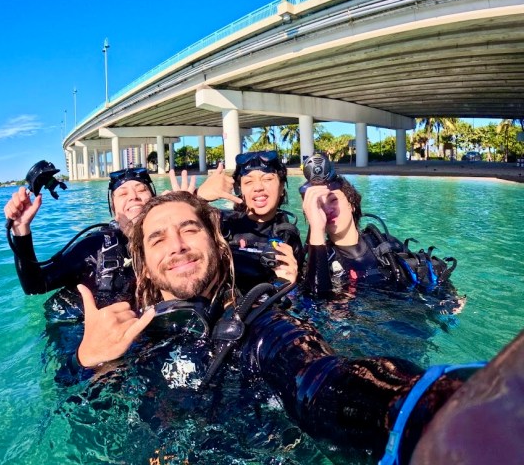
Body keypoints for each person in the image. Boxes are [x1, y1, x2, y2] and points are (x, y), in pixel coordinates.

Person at [74, 191, 494, 464]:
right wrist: (92, 366)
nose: (178, 245)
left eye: (189, 229)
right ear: (143, 265)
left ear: (217, 244)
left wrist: (433, 407)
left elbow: (321, 380)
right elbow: (89, 435)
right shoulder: (122, 337)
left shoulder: (260, 324)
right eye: (158, 239)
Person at [300, 154, 459, 301]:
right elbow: (315, 304)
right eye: (319, 206)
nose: (327, 210)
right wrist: (316, 231)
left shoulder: (383, 244)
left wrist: (448, 295)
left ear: (351, 204)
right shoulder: (317, 261)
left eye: (333, 200)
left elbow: (422, 274)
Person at [3, 166, 156, 308]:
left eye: (142, 190)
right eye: (123, 193)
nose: (134, 197)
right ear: (114, 210)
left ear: (155, 201)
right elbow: (35, 286)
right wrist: (21, 228)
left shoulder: (172, 242)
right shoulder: (93, 247)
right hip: (78, 325)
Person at [169, 152, 302, 291]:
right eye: (248, 182)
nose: (258, 188)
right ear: (239, 189)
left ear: (281, 188)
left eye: (267, 179)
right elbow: (171, 236)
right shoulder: (218, 222)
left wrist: (288, 287)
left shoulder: (287, 236)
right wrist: (193, 198)